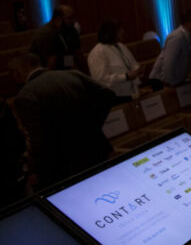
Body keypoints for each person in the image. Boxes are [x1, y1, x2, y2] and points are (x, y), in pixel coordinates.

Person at [9, 53, 115, 190]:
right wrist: (94, 124)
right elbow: (108, 94)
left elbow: (38, 140)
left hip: (62, 164)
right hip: (95, 147)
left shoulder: (25, 96)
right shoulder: (72, 74)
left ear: (17, 73)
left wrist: (34, 170)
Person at [87, 19, 143, 103]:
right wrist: (126, 77)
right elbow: (100, 79)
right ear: (110, 32)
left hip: (131, 92)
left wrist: (138, 70)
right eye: (119, 30)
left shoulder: (121, 46)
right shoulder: (97, 52)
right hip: (114, 97)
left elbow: (133, 64)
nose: (122, 32)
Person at [148, 10, 191, 88]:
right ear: (187, 23)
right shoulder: (177, 37)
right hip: (162, 81)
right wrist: (170, 85)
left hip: (175, 79)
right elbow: (169, 63)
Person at [29, 5, 86, 71]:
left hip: (62, 71)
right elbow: (50, 64)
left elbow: (73, 55)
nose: (73, 21)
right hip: (46, 74)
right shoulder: (46, 34)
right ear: (58, 19)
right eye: (69, 18)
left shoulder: (69, 30)